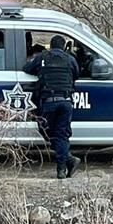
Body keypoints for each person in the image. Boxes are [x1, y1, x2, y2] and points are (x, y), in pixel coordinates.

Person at [23, 34, 82, 179]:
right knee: (61, 135)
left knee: (50, 134)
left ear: (51, 45)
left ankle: (66, 164)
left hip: (49, 102)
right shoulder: (70, 59)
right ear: (63, 47)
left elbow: (27, 68)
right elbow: (77, 74)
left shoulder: (43, 57)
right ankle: (64, 165)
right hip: (66, 102)